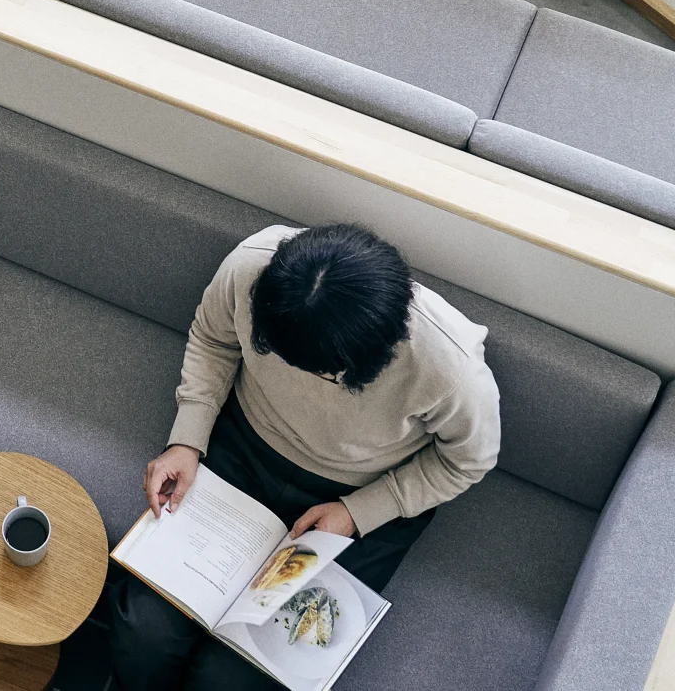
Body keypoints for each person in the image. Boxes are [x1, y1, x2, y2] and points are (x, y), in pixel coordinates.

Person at [111, 224, 501, 691]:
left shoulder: (449, 365)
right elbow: (213, 340)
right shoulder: (250, 267)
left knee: (236, 676)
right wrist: (187, 439)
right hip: (243, 443)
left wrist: (358, 512)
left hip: (361, 492)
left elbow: (467, 461)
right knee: (143, 630)